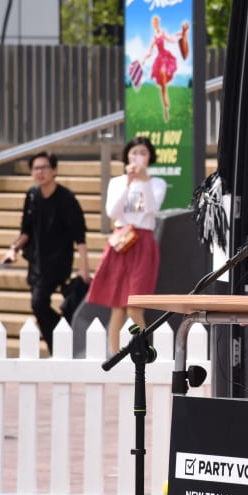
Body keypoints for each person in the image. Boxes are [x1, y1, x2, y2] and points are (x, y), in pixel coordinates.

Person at [1, 152, 90, 354]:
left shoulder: (66, 199)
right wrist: (13, 250)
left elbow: (80, 237)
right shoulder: (32, 195)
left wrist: (84, 269)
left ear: (54, 171)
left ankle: (60, 341)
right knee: (39, 308)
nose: (39, 172)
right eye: (35, 168)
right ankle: (58, 346)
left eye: (44, 168)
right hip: (36, 261)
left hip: (58, 262)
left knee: (38, 302)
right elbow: (26, 231)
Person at [86, 136, 167, 354]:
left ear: (150, 157)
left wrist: (144, 181)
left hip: (143, 243)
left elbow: (151, 209)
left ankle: (143, 351)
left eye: (143, 153)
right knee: (117, 307)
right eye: (134, 152)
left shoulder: (156, 183)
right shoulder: (117, 182)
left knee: (134, 306)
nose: (138, 157)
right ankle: (114, 354)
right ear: (127, 156)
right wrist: (129, 183)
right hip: (121, 242)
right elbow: (112, 212)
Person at [143, 15, 181, 122]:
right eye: (153, 24)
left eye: (155, 23)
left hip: (165, 57)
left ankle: (166, 106)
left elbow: (171, 39)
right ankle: (165, 106)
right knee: (163, 86)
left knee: (164, 83)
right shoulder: (154, 37)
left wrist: (178, 35)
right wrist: (145, 58)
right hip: (159, 60)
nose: (154, 25)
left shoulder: (163, 33)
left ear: (157, 23)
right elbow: (150, 50)